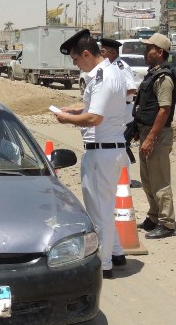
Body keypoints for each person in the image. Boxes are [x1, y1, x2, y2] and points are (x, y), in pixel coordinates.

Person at [54, 29, 128, 279]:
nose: (76, 65)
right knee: (104, 207)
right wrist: (75, 110)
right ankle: (116, 253)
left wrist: (66, 120)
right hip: (108, 150)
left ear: (87, 53)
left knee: (99, 211)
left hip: (102, 152)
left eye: (76, 59)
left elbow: (95, 117)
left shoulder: (104, 77)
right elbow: (95, 107)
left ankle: (104, 264)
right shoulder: (108, 73)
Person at [135, 33, 176, 240]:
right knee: (147, 180)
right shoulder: (152, 74)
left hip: (158, 136)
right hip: (147, 133)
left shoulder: (164, 78)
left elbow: (164, 110)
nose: (145, 52)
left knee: (160, 181)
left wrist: (151, 137)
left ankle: (167, 223)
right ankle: (153, 216)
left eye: (149, 48)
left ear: (159, 52)